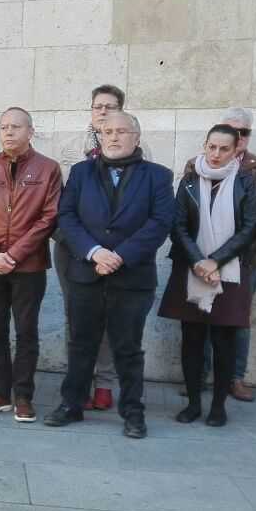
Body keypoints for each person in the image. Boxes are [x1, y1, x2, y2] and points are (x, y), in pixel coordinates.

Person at [44, 112, 174, 438]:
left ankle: (132, 413)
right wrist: (94, 252)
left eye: (121, 131)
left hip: (132, 278)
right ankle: (71, 404)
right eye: (107, 132)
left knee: (128, 348)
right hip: (85, 272)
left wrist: (119, 256)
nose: (113, 137)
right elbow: (67, 216)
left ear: (137, 137)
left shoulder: (158, 176)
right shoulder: (81, 172)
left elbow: (159, 223)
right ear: (99, 138)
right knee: (80, 343)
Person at [156, 124, 256, 428]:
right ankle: (192, 403)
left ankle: (218, 406)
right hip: (191, 267)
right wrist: (199, 261)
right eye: (211, 147)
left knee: (224, 339)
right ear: (205, 145)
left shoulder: (245, 181)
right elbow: (177, 226)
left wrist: (216, 260)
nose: (216, 154)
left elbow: (249, 228)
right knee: (191, 338)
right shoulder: (189, 179)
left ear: (236, 149)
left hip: (229, 270)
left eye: (223, 148)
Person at [0, 107, 61, 422]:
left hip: (29, 266)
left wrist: (15, 254)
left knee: (26, 331)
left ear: (30, 132)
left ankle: (23, 395)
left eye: (16, 127)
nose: (9, 132)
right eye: (4, 127)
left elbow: (49, 217)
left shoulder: (48, 169)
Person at [187, 108, 256, 403]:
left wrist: (244, 193)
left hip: (243, 258)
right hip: (198, 259)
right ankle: (198, 378)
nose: (236, 138)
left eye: (243, 133)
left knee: (236, 321)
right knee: (198, 318)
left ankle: (234, 379)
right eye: (228, 131)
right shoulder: (195, 165)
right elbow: (184, 212)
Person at [54, 84, 127, 411]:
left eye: (110, 106)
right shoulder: (71, 150)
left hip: (114, 251)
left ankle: (105, 383)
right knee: (77, 318)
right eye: (98, 106)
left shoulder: (137, 147)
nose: (103, 111)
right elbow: (59, 203)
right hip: (73, 247)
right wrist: (80, 244)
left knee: (110, 317)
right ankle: (78, 381)